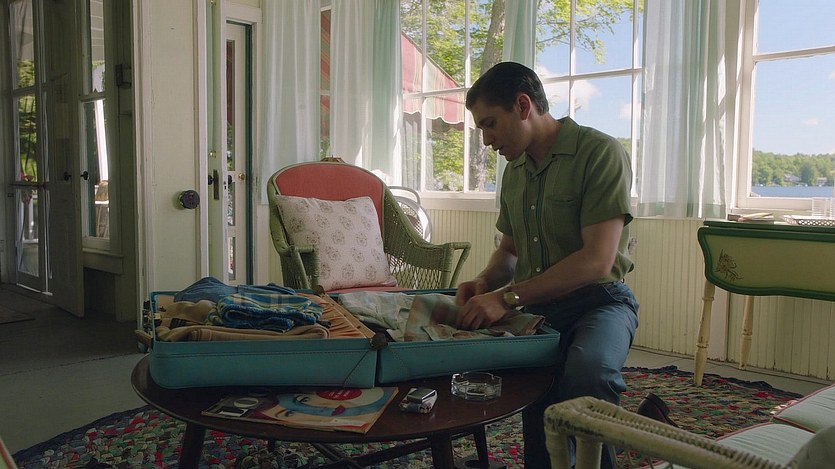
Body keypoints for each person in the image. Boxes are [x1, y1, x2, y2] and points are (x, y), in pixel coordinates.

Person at [455, 61, 639, 468]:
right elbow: (509, 252)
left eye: (490, 124)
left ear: (523, 106)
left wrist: (506, 298)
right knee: (534, 388)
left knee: (589, 373)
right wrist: (485, 282)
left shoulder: (599, 153)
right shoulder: (514, 173)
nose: (486, 140)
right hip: (538, 309)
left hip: (600, 302)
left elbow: (596, 261)